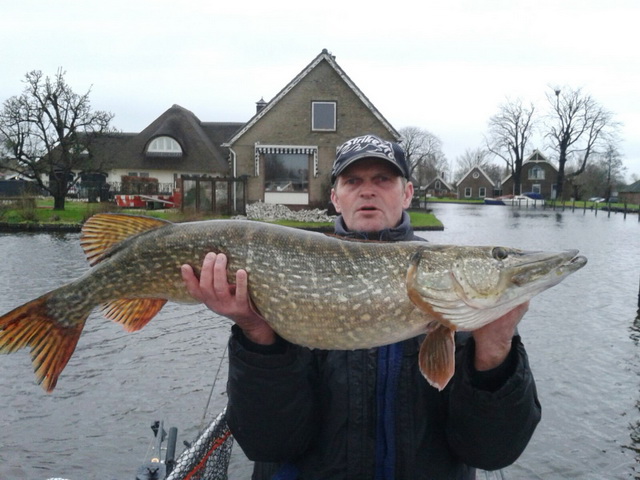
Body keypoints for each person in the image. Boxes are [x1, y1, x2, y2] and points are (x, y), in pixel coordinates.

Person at [181, 134, 541, 479]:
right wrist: (256, 332)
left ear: (408, 194)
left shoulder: (457, 299)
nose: (367, 189)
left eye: (383, 179)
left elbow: (491, 453)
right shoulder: (296, 272)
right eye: (353, 181)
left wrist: (494, 351)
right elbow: (269, 443)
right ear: (335, 197)